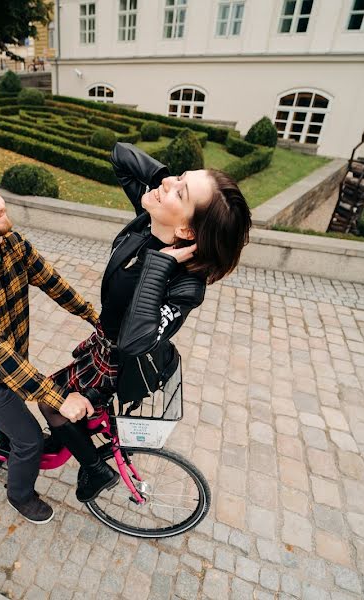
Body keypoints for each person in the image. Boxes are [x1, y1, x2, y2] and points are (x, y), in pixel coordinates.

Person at [39, 142, 252, 503]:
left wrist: (160, 264)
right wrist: (164, 180)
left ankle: (94, 468)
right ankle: (76, 436)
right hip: (101, 343)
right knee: (67, 407)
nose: (166, 186)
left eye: (180, 191)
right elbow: (120, 155)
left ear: (186, 231)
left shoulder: (185, 286)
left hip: (115, 364)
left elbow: (137, 341)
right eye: (179, 178)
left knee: (48, 401)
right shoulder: (154, 214)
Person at [0, 165, 100, 524]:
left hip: (14, 365)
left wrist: (94, 317)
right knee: (29, 442)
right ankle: (19, 494)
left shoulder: (13, 244)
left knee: (23, 424)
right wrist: (57, 398)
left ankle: (8, 439)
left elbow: (53, 283)